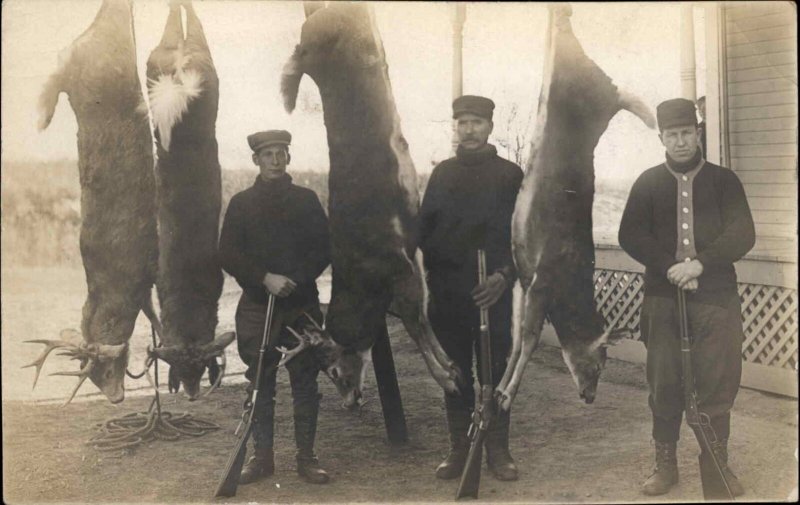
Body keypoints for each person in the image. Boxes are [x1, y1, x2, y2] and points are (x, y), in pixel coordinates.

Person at [618, 98, 755, 497]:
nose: (680, 141)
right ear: (662, 137)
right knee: (664, 382)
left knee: (716, 381)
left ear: (697, 135)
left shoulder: (724, 181)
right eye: (671, 135)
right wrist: (669, 267)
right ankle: (665, 465)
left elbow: (742, 232)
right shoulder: (647, 182)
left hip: (715, 299)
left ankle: (718, 466)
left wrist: (699, 264)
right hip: (663, 298)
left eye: (686, 133)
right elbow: (631, 234)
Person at [420, 95, 524, 482]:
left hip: (493, 292)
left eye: (477, 122)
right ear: (455, 127)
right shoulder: (442, 174)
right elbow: (424, 235)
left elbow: (524, 238)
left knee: (495, 372)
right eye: (462, 122)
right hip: (449, 295)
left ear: (490, 127)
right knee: (456, 373)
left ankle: (498, 450)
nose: (469, 130)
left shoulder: (511, 175)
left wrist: (503, 276)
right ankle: (460, 450)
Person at [219, 130, 331, 485]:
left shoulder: (307, 200)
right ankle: (261, 457)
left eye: (281, 152)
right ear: (256, 160)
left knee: (305, 381)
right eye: (267, 154)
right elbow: (228, 253)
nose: (275, 159)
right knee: (259, 381)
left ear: (289, 157)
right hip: (256, 304)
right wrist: (264, 277)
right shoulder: (240, 204)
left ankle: (307, 459)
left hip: (302, 306)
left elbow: (323, 249)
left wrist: (292, 280)